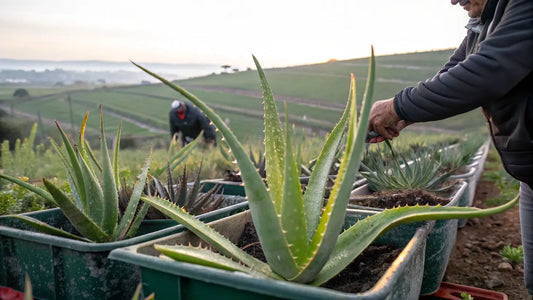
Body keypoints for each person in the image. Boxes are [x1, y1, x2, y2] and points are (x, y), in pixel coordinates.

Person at [367, 0, 532, 295]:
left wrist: (397, 105)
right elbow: (453, 71)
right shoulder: (487, 20)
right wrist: (403, 115)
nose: (453, 0)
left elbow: (486, 72)